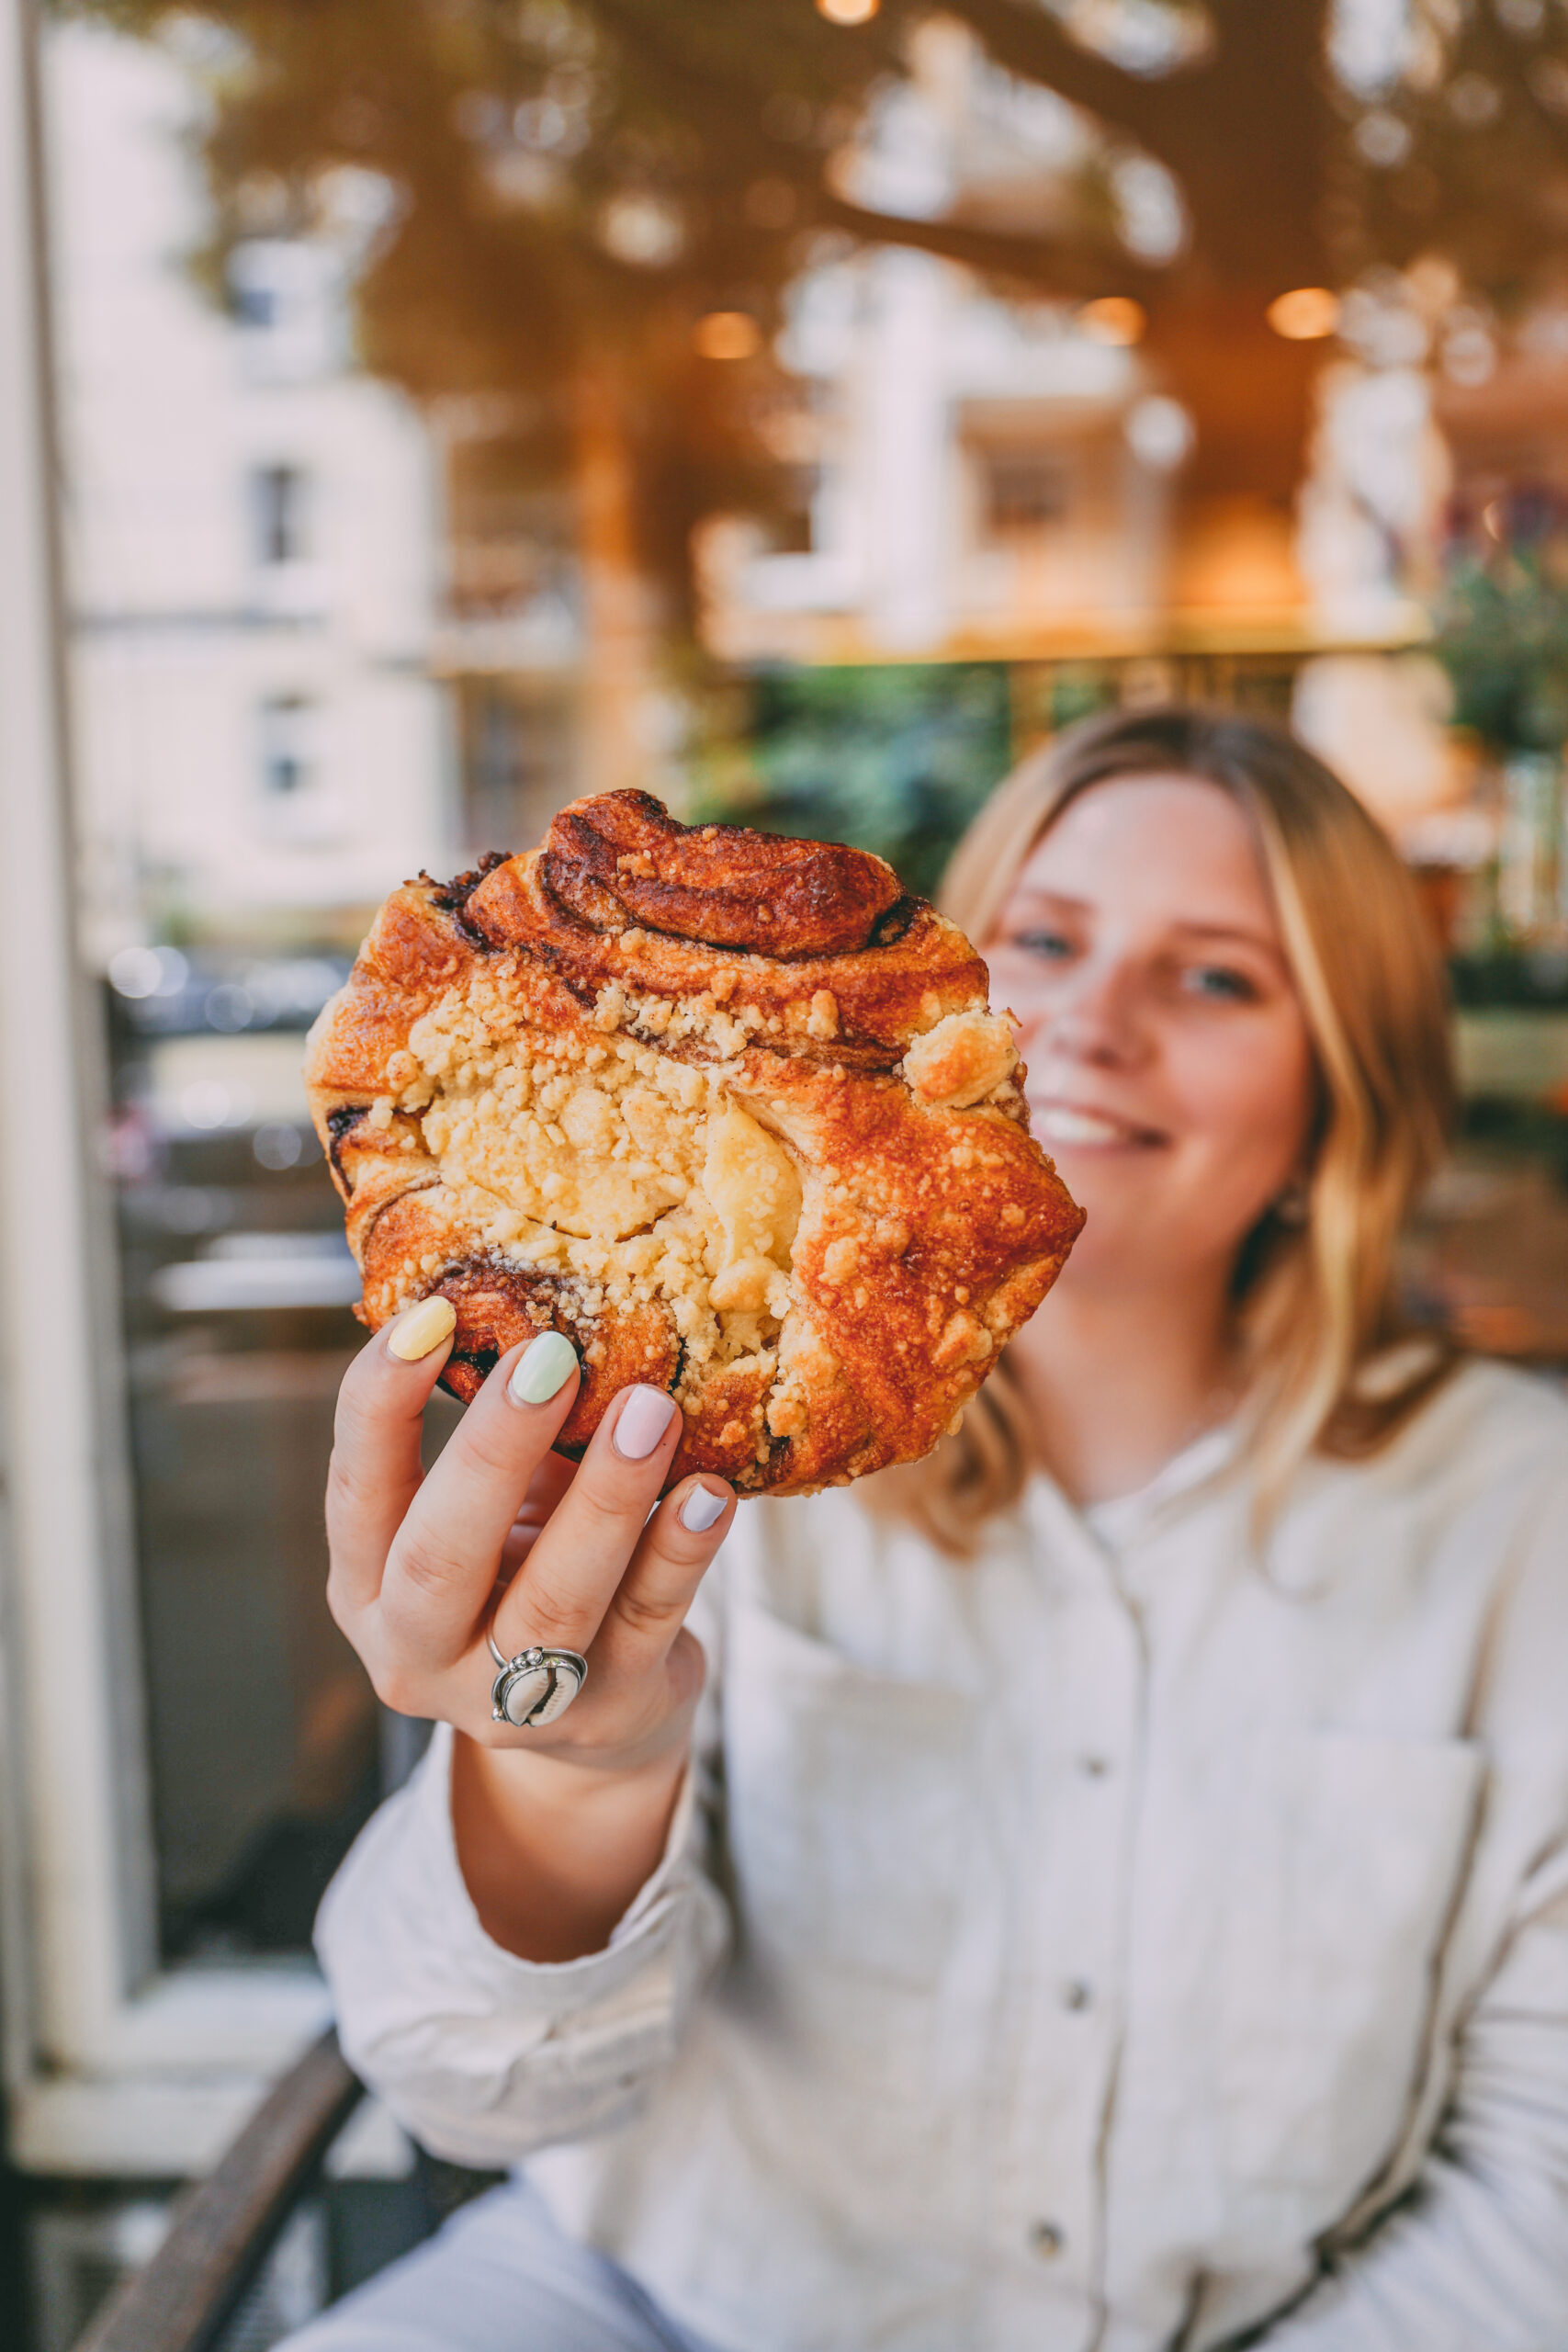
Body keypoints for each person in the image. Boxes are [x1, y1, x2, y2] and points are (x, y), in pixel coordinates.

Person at [286, 707, 1568, 2352]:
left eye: (1221, 977)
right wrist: (571, 1764)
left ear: (1344, 1091)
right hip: (642, 2307)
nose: (1097, 1024)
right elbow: (467, 2082)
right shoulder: (695, 1450)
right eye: (1047, 939)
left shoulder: (1518, 1529)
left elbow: (1536, 2198)